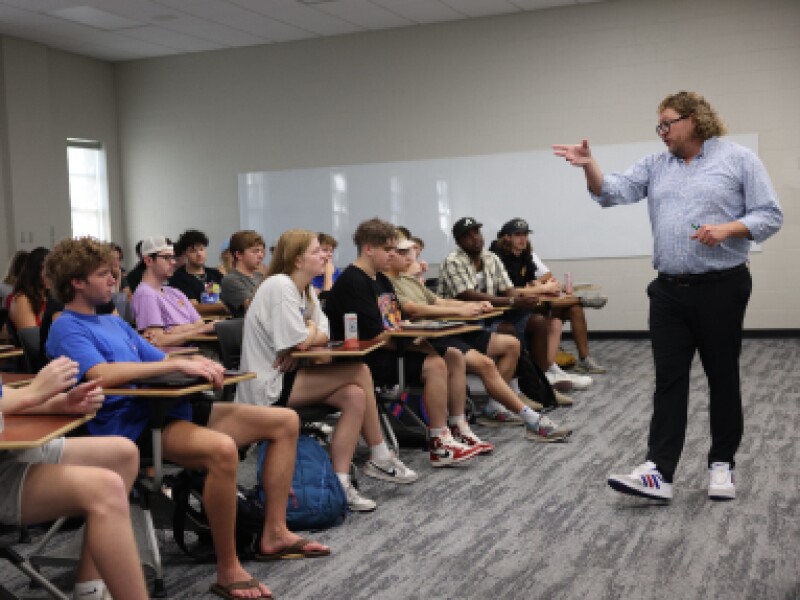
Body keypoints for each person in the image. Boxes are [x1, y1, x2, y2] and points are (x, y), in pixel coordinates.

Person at [45, 236, 329, 600]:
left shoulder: (113, 323)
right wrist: (176, 363)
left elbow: (158, 358)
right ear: (77, 283)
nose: (114, 280)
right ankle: (228, 570)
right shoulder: (67, 326)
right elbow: (100, 374)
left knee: (284, 421)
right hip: (130, 425)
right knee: (222, 451)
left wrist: (193, 364)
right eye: (104, 275)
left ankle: (274, 533)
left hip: (167, 410)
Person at [553, 90, 783, 502]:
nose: (662, 132)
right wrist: (590, 167)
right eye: (658, 126)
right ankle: (659, 471)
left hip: (722, 287)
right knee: (668, 381)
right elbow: (612, 192)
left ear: (694, 120)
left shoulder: (738, 159)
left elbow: (770, 215)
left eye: (667, 123)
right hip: (668, 292)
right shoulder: (656, 165)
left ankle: (721, 464)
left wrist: (727, 229)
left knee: (722, 377)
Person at [238, 229, 418, 512]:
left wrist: (308, 333)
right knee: (359, 371)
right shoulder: (279, 286)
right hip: (268, 386)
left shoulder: (305, 289)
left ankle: (340, 482)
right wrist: (308, 333)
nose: (325, 255)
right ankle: (379, 454)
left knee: (354, 397)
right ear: (298, 260)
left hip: (289, 376)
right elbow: (298, 342)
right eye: (316, 251)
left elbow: (324, 330)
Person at [324, 218, 482, 466]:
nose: (393, 255)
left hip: (386, 349)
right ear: (368, 249)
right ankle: (440, 441)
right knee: (434, 364)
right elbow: (374, 337)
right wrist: (412, 341)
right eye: (388, 250)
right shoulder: (353, 283)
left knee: (446, 354)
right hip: (366, 360)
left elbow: (393, 323)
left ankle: (453, 429)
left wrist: (414, 334)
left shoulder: (381, 279)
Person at [387, 237, 571, 443]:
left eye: (406, 252)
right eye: (399, 252)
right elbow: (413, 309)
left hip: (445, 329)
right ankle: (531, 419)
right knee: (485, 364)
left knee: (511, 344)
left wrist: (469, 307)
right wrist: (461, 311)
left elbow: (438, 301)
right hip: (428, 337)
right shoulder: (388, 283)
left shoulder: (408, 279)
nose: (406, 256)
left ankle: (494, 406)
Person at [0, 356, 148, 600]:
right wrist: (33, 392)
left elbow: (3, 397)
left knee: (122, 454)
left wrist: (60, 403)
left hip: (10, 450)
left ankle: (89, 588)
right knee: (105, 488)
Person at [438, 217, 586, 401]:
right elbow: (467, 295)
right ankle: (516, 390)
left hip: (490, 316)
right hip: (463, 323)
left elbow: (508, 288)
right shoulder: (454, 261)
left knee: (539, 322)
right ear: (459, 241)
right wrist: (512, 301)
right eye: (468, 236)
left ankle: (541, 379)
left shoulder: (490, 258)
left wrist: (523, 297)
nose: (475, 238)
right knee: (509, 331)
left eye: (476, 232)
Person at [490, 218, 607, 375]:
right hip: (508, 308)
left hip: (525, 302)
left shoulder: (524, 254)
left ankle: (561, 364)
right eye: (518, 235)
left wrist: (545, 286)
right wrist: (543, 287)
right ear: (506, 237)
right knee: (544, 316)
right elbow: (508, 291)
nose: (523, 238)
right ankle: (580, 300)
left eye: (525, 234)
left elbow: (531, 281)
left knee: (564, 317)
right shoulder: (497, 258)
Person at [130, 235, 217, 346]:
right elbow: (158, 341)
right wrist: (198, 330)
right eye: (167, 258)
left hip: (195, 349)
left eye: (173, 257)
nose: (173, 262)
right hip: (181, 355)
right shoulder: (146, 295)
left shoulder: (175, 292)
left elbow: (200, 322)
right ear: (148, 261)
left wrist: (182, 329)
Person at [169, 229, 228, 316]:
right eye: (193, 251)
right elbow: (193, 307)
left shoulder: (215, 274)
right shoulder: (178, 278)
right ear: (185, 254)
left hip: (225, 322)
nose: (199, 254)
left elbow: (229, 297)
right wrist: (224, 306)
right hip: (200, 325)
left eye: (201, 249)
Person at [220, 230, 266, 317]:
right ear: (239, 255)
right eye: (255, 251)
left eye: (262, 251)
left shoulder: (260, 276)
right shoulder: (231, 280)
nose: (261, 255)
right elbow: (253, 308)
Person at [8, 247, 49, 332]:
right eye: (48, 271)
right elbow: (32, 340)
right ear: (37, 271)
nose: (53, 276)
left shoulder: (47, 296)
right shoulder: (22, 299)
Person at [310, 232, 341, 297]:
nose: (329, 254)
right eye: (325, 250)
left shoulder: (336, 272)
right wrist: (328, 275)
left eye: (331, 251)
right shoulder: (309, 274)